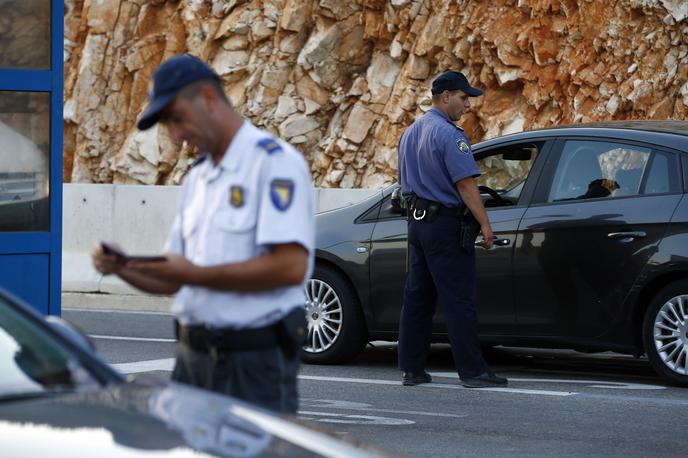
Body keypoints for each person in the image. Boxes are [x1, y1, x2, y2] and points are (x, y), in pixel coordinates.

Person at [91, 54, 314, 413]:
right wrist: (123, 265)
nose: (176, 135)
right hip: (192, 360)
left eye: (177, 119)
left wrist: (191, 275)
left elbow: (289, 267)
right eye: (168, 125)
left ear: (209, 99)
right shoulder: (199, 176)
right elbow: (174, 274)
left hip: (251, 364)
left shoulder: (273, 163)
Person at [397, 70, 508, 388]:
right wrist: (485, 225)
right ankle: (473, 371)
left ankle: (411, 369)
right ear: (445, 97)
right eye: (463, 98)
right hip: (444, 224)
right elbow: (465, 184)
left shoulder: (410, 133)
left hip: (416, 224)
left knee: (417, 298)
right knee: (458, 299)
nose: (467, 105)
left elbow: (404, 183)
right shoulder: (450, 135)